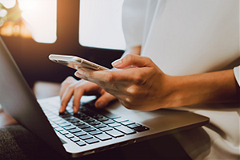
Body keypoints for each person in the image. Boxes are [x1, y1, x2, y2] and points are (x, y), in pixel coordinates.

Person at [59, 0, 240, 159]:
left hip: (213, 136)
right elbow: (138, 40)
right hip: (142, 118)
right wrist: (115, 80)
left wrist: (167, 91)